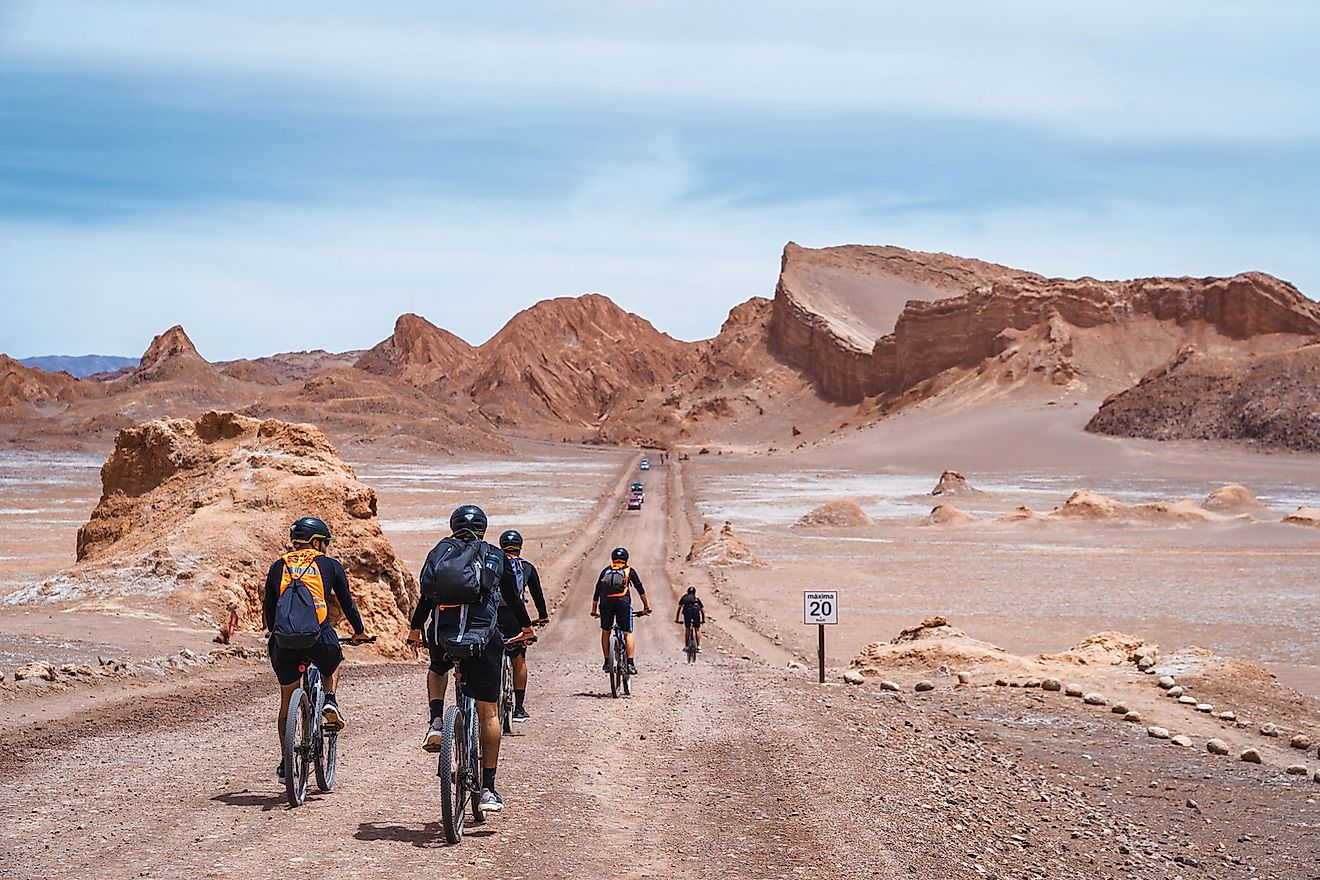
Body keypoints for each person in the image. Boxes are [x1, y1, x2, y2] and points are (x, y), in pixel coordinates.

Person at [408, 505, 535, 813]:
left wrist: (415, 629)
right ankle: (489, 788)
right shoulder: (495, 555)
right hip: (482, 637)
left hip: (444, 633)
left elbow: (426, 597)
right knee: (488, 712)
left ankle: (437, 721)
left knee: (438, 668)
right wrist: (527, 627)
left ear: (453, 526)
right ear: (483, 528)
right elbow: (513, 598)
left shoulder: (441, 552)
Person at [263, 516, 372, 782]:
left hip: (284, 641)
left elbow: (269, 605)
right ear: (315, 542)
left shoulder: (279, 566)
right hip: (317, 636)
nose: (326, 547)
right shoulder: (329, 565)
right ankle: (331, 700)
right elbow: (347, 602)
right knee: (332, 662)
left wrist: (271, 631)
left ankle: (285, 760)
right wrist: (359, 632)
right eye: (324, 542)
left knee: (287, 700)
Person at [497, 529, 549, 722]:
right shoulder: (527, 568)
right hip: (515, 616)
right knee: (519, 659)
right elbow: (537, 595)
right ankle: (519, 708)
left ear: (501, 546)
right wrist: (543, 616)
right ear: (520, 547)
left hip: (493, 615)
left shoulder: (494, 564)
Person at [590, 547, 651, 674]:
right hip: (623, 603)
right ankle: (630, 664)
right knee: (627, 633)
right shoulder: (629, 571)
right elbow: (640, 589)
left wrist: (594, 610)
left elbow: (597, 591)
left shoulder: (606, 571)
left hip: (606, 603)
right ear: (626, 558)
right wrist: (646, 607)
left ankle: (607, 662)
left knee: (606, 631)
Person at [675, 586, 705, 651]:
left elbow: (679, 609)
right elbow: (702, 610)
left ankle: (686, 646)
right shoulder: (696, 598)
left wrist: (677, 619)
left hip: (687, 612)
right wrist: (703, 620)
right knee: (697, 629)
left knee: (687, 628)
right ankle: (698, 646)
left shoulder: (684, 597)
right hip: (695, 611)